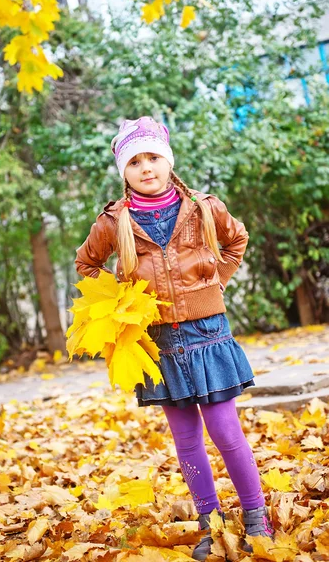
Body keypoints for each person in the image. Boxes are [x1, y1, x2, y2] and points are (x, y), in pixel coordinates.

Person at [75, 116, 274, 560]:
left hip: (210, 334)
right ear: (124, 171)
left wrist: (216, 282)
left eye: (154, 158)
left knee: (226, 431)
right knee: (186, 439)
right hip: (159, 342)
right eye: (135, 162)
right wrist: (121, 305)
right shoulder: (115, 221)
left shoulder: (203, 208)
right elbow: (87, 265)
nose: (146, 168)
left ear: (168, 162)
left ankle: (257, 515)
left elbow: (236, 240)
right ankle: (211, 520)